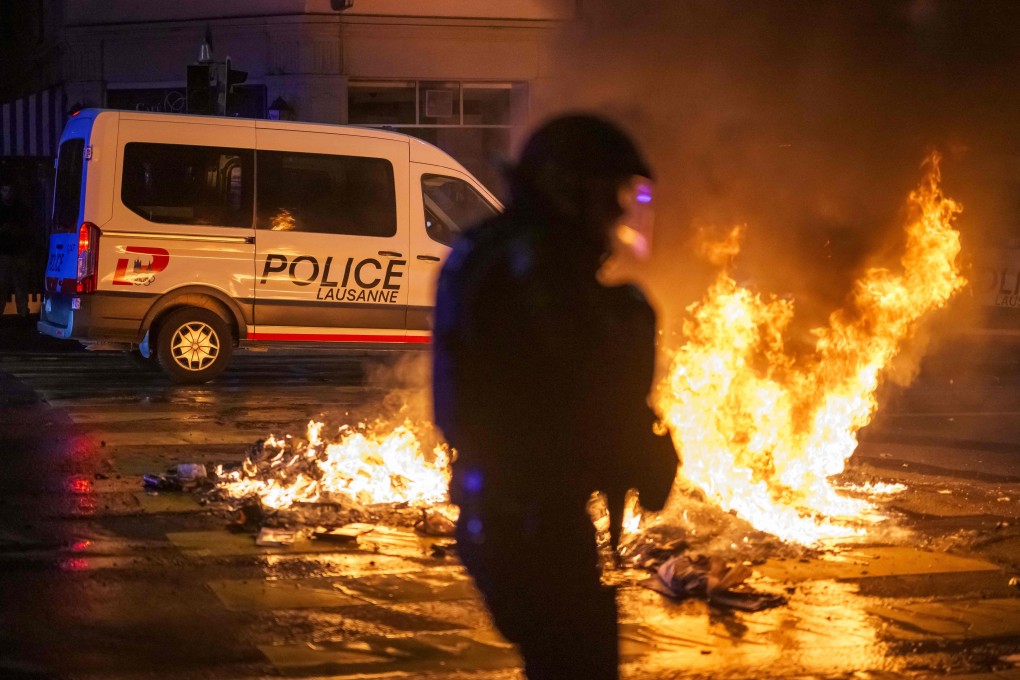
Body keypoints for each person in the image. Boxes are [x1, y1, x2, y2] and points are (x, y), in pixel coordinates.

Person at [432, 114, 679, 680]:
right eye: (611, 194)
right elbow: (581, 384)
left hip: (511, 514)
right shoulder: (533, 269)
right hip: (528, 522)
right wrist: (642, 450)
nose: (619, 212)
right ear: (570, 189)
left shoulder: (497, 250)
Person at [0, 180, 31, 320]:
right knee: (2, 285)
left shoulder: (21, 209)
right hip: (5, 253)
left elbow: (28, 230)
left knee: (20, 285)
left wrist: (14, 230)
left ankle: (23, 313)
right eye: (5, 190)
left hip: (19, 252)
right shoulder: (4, 209)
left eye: (10, 190)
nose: (8, 194)